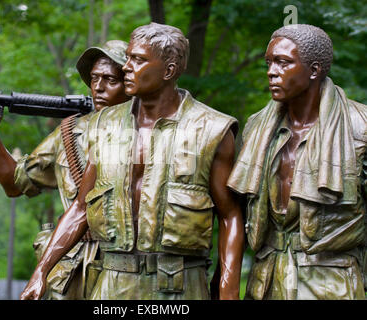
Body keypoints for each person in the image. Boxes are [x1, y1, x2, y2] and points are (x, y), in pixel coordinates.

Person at [20, 22, 244, 300]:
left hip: (180, 287)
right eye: (127, 57)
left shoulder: (212, 129)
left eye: (137, 60)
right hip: (113, 282)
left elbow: (230, 216)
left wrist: (228, 290)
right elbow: (80, 208)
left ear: (169, 71)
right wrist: (41, 271)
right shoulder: (104, 125)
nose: (126, 66)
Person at [0, 40, 130, 299]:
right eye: (94, 79)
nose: (98, 87)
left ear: (131, 84)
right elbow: (15, 184)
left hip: (129, 273)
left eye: (110, 79)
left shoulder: (153, 135)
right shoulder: (69, 132)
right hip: (73, 274)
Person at [227, 24, 366, 300]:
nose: (271, 71)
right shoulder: (257, 127)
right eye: (269, 62)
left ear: (314, 70)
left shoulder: (360, 127)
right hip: (265, 281)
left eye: (283, 62)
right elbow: (239, 212)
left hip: (332, 283)